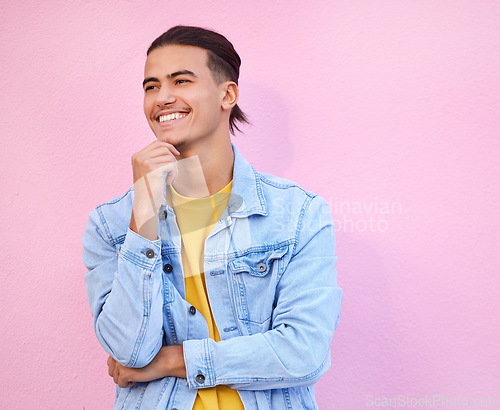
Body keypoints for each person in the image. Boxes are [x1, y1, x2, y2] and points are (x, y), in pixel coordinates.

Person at [83, 25, 343, 409]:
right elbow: (129, 351)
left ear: (228, 94)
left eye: (181, 81)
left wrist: (175, 360)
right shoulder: (111, 225)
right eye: (151, 86)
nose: (163, 98)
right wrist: (144, 218)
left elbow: (304, 351)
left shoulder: (298, 214)